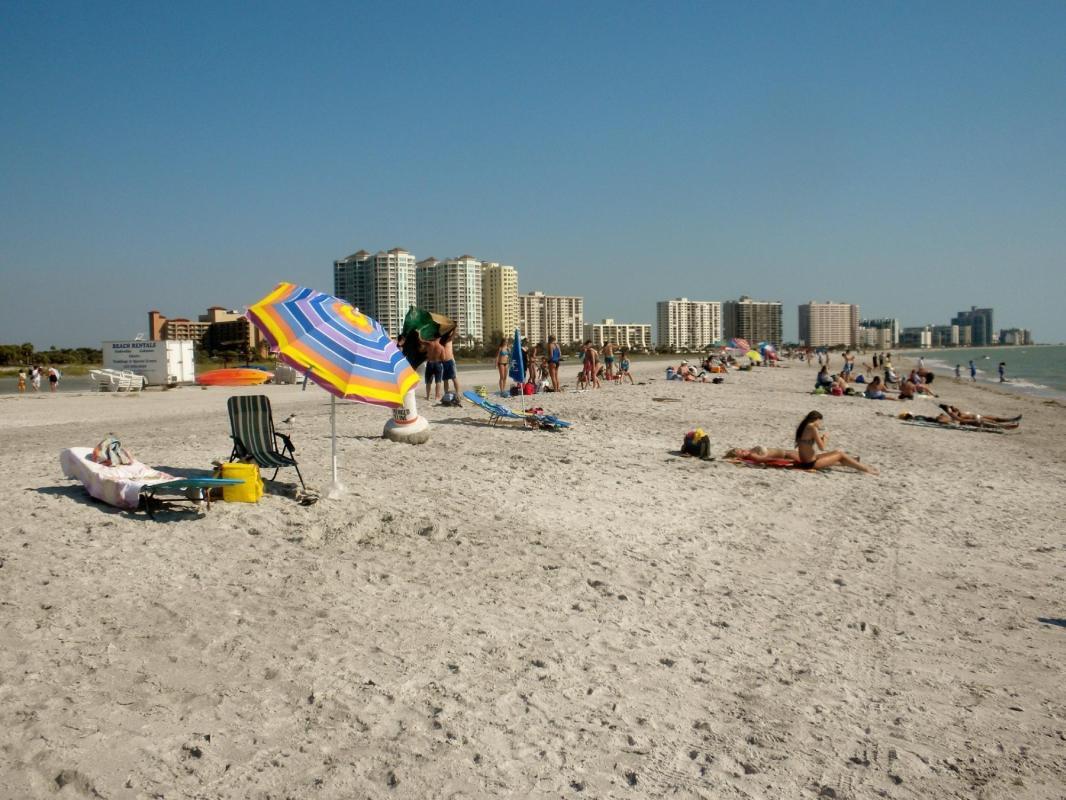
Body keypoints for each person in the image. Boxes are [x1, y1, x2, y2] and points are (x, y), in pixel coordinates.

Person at [794, 411, 878, 474]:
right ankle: (867, 469)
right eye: (820, 421)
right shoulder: (813, 428)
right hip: (810, 463)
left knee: (837, 453)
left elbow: (807, 441)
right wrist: (825, 438)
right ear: (816, 420)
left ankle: (852, 460)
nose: (820, 424)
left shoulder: (803, 426)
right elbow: (822, 447)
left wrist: (820, 438)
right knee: (840, 454)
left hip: (806, 460)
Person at [440, 337, 461, 405]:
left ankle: (457, 394)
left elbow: (453, 331)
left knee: (454, 378)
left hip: (450, 361)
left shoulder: (449, 338)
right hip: (443, 361)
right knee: (445, 379)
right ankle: (446, 394)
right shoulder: (440, 339)